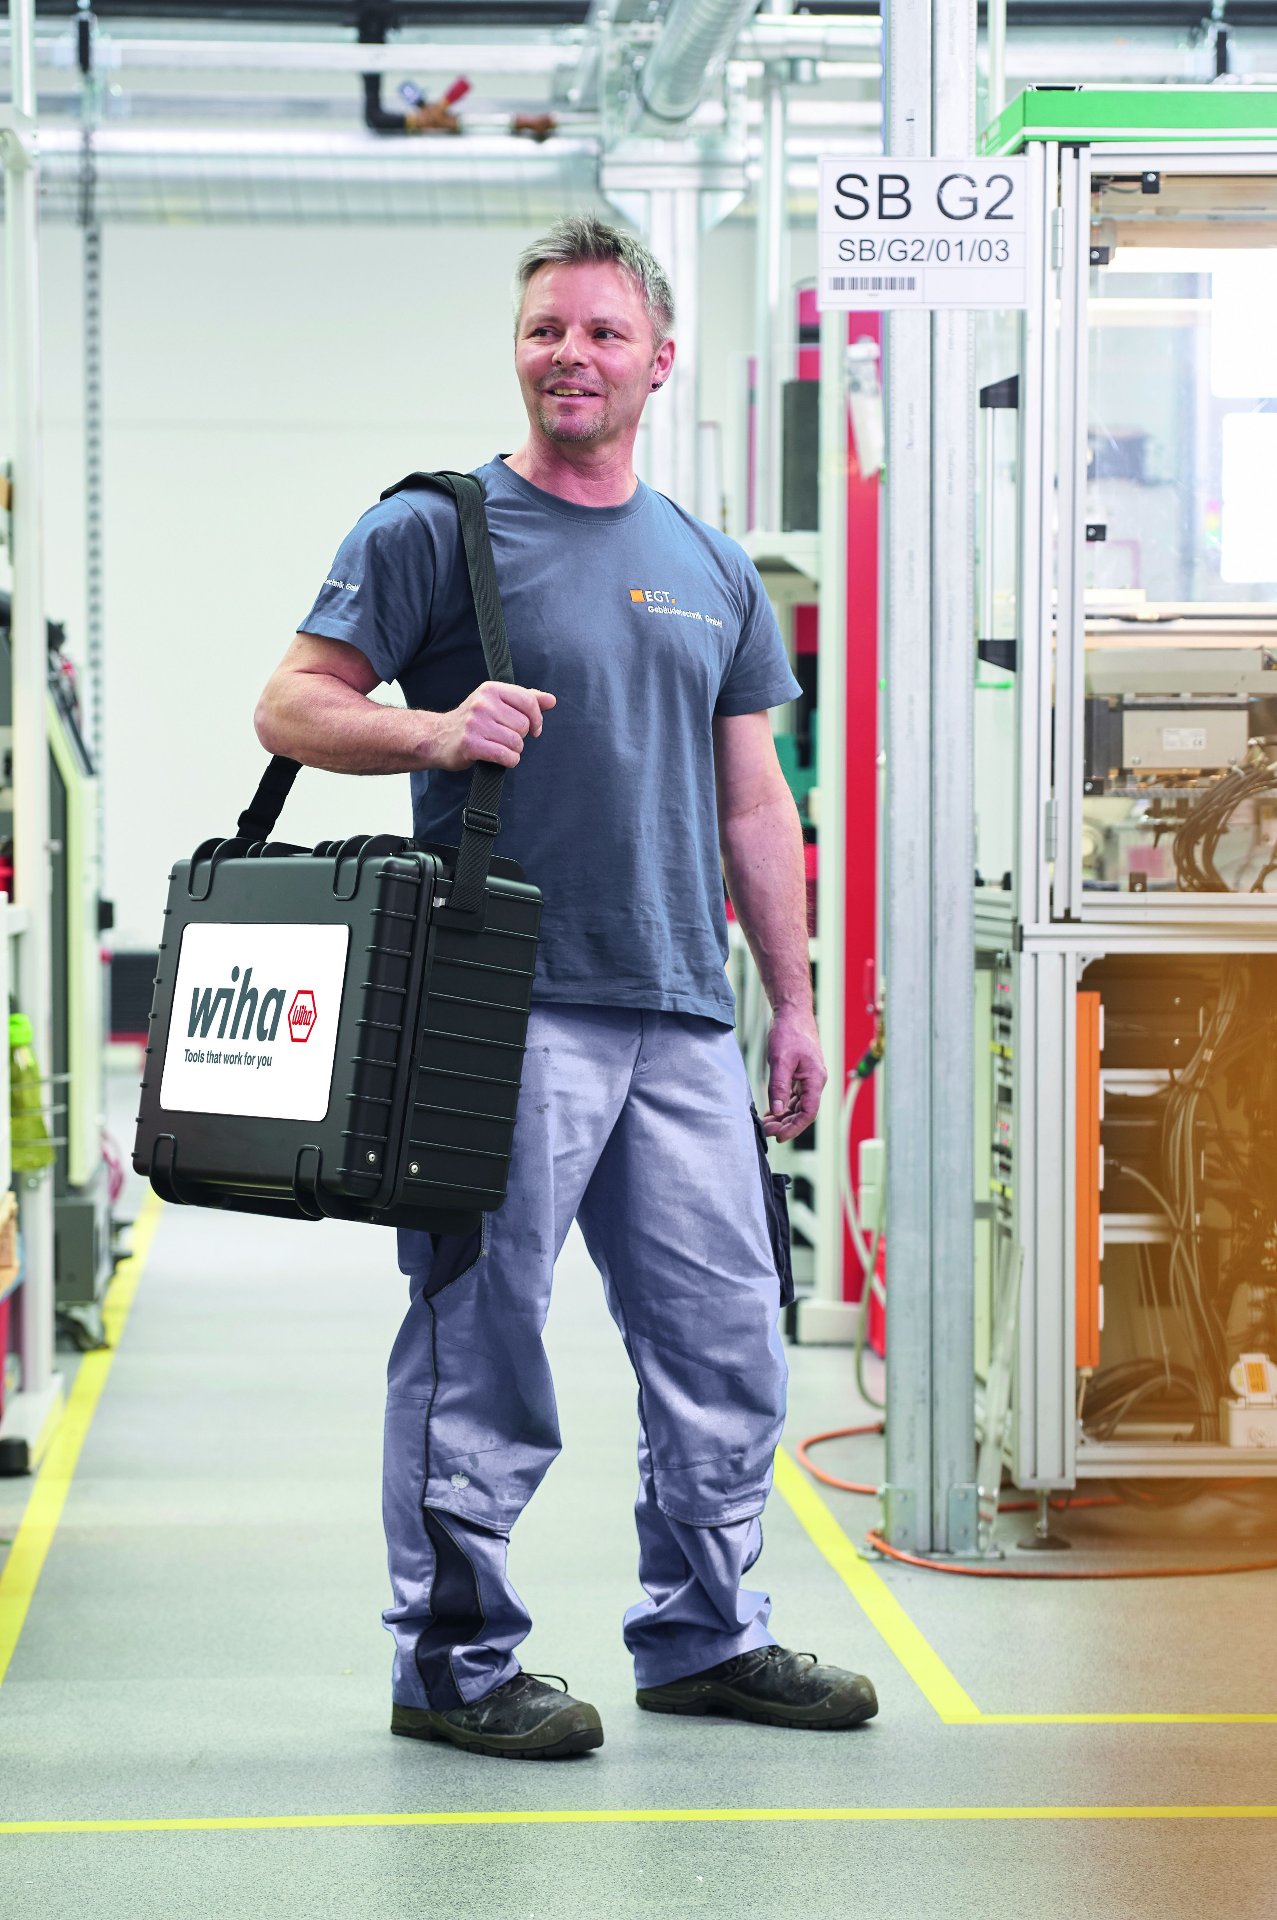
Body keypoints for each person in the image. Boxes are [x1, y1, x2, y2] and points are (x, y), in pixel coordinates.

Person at [255, 214, 878, 1761]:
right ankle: (453, 1665)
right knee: (482, 1342)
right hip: (497, 1005)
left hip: (680, 1009)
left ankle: (706, 1636)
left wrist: (794, 1002)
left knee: (726, 1341)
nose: (570, 356)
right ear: (517, 349)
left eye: (603, 332)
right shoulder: (434, 527)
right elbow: (292, 705)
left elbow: (754, 804)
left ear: (660, 359)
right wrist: (433, 730)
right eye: (546, 329)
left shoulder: (710, 565)